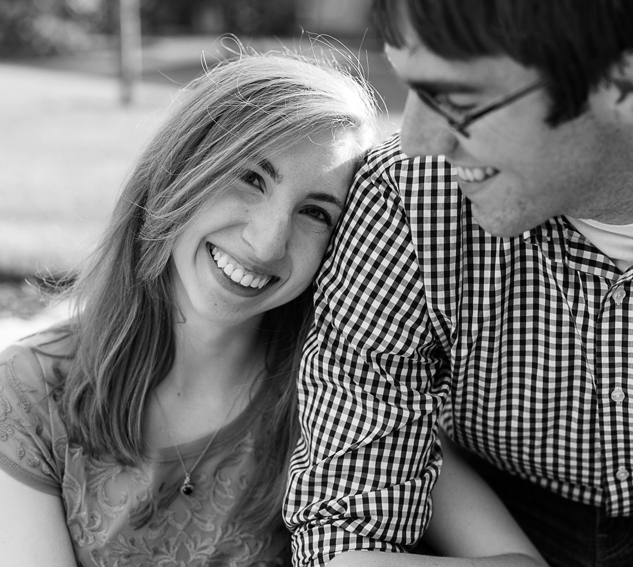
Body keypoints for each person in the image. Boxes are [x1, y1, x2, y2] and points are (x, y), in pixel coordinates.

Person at [283, 1, 633, 566]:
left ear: (626, 85)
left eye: (455, 99)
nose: (415, 140)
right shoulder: (403, 199)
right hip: (486, 515)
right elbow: (346, 527)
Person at [0, 42, 550, 567]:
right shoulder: (27, 393)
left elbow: (518, 561)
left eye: (315, 212)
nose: (267, 242)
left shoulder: (351, 397)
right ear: (175, 172)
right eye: (250, 178)